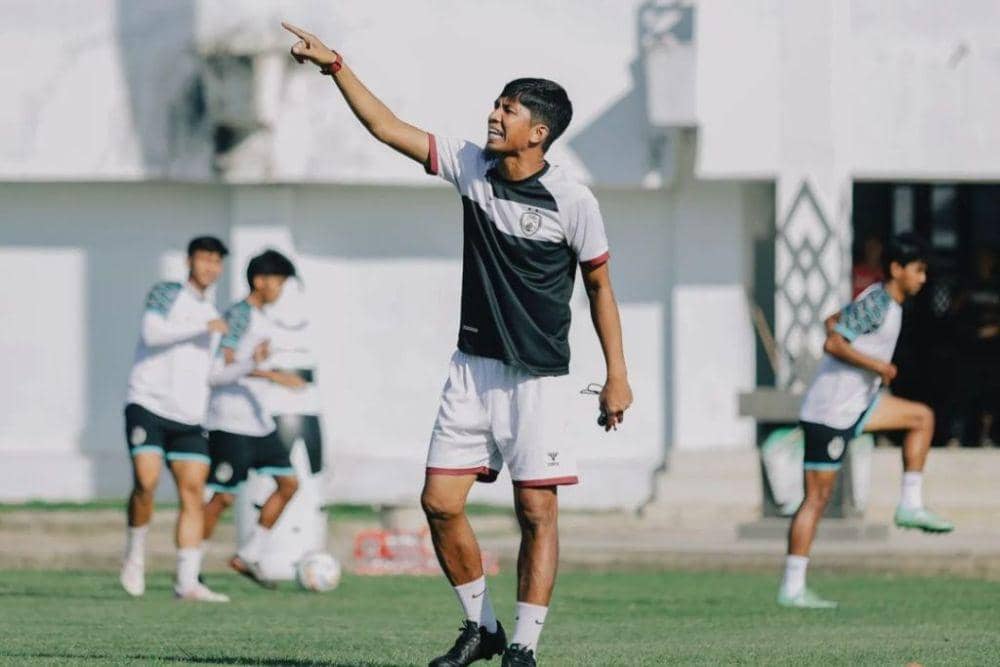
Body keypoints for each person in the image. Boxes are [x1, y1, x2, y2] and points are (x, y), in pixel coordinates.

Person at [283, 22, 633, 667]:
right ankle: (483, 627)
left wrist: (618, 375)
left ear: (540, 132)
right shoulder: (472, 166)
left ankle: (524, 644)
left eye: (509, 109)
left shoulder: (572, 200)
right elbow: (387, 128)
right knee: (439, 504)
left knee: (536, 511)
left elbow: (600, 287)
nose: (494, 116)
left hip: (539, 379)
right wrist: (337, 65)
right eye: (497, 104)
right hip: (472, 369)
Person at [780, 233, 955, 609]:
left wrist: (866, 363)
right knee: (817, 499)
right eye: (918, 270)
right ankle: (792, 587)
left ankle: (910, 505)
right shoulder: (879, 302)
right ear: (896, 269)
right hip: (829, 411)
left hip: (859, 404)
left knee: (921, 418)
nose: (923, 278)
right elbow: (833, 342)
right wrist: (879, 365)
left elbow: (833, 321)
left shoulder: (884, 302)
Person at [120, 235, 231, 602]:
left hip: (188, 417)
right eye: (204, 259)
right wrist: (203, 328)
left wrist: (251, 365)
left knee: (193, 493)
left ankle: (187, 582)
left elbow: (211, 372)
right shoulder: (167, 293)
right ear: (190, 261)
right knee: (146, 482)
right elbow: (151, 334)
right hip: (148, 404)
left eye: (216, 261)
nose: (209, 267)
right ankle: (135, 553)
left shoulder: (214, 313)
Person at [201, 250, 306, 587]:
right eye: (278, 282)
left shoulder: (262, 318)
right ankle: (188, 567)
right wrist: (275, 377)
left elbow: (249, 365)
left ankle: (248, 554)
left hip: (259, 424)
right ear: (260, 281)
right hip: (230, 422)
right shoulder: (239, 315)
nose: (280, 289)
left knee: (289, 484)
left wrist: (275, 374)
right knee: (223, 498)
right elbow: (219, 370)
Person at [852, 233, 885, 298]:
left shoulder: (887, 272)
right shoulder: (855, 271)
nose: (872, 250)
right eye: (870, 246)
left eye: (875, 246)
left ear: (881, 248)